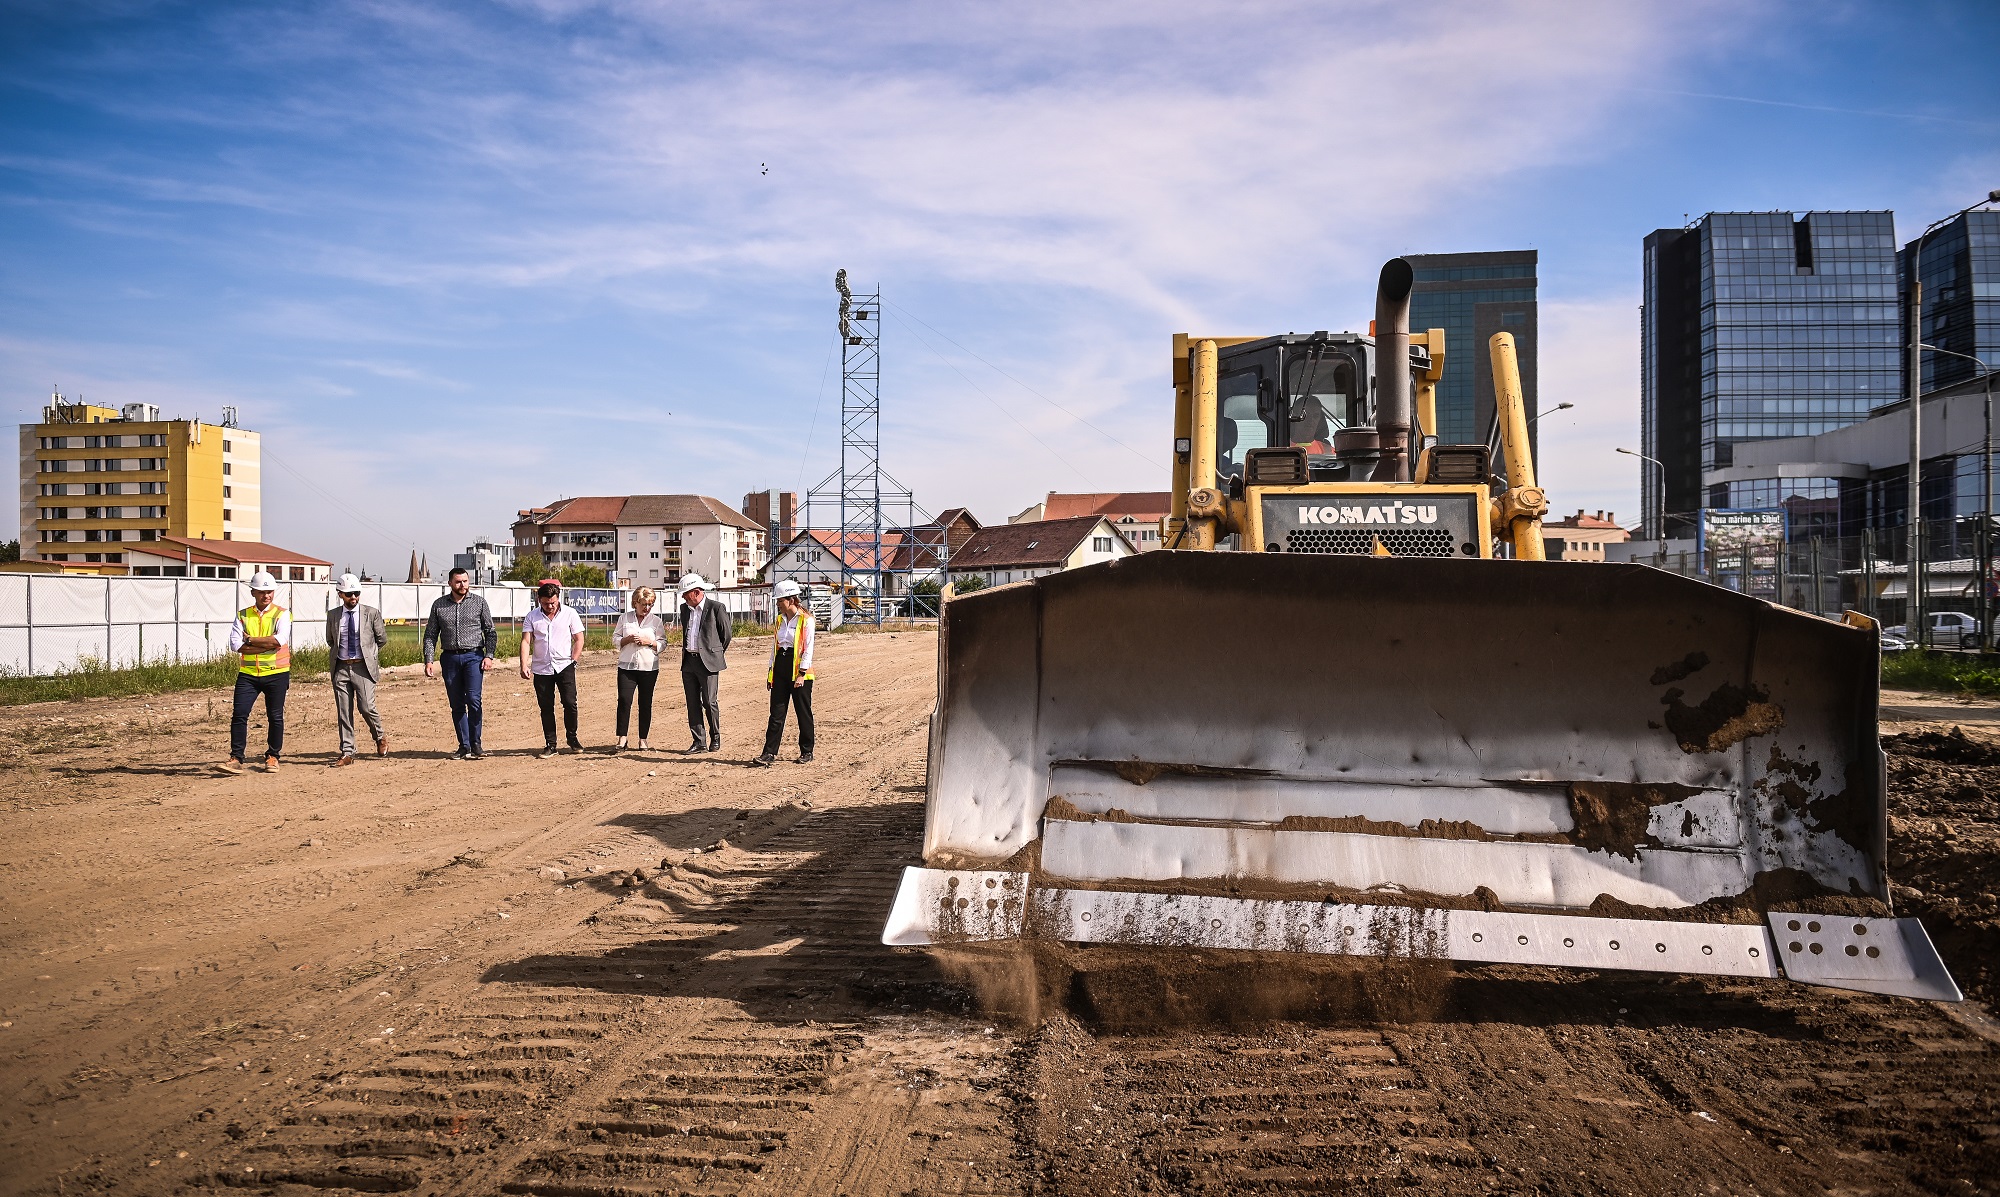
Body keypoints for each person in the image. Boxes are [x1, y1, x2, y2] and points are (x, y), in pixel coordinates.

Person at [218, 571, 291, 775]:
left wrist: (249, 641)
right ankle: (236, 758)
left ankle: (273, 756)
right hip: (248, 674)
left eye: (269, 591)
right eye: (261, 592)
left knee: (275, 716)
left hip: (276, 673)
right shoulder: (242, 615)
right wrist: (265, 645)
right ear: (253, 592)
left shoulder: (282, 614)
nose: (266, 595)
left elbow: (280, 640)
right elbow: (235, 644)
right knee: (239, 714)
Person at [423, 567, 496, 760]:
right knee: (456, 703)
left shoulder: (479, 603)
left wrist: (489, 655)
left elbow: (490, 631)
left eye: (465, 581)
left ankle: (476, 744)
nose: (462, 585)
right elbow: (430, 635)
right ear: (450, 583)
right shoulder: (439, 605)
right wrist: (429, 660)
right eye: (458, 582)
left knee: (473, 700)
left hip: (474, 657)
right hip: (450, 659)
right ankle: (464, 746)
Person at [326, 573, 389, 766]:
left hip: (364, 667)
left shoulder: (371, 613)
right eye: (349, 594)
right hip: (341, 667)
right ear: (340, 594)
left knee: (366, 707)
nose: (353, 597)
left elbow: (382, 639)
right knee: (344, 711)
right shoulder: (333, 615)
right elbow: (330, 640)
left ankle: (379, 736)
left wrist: (369, 655)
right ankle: (347, 751)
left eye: (356, 593)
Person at [521, 581, 587, 757]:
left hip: (565, 665)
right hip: (542, 668)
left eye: (553, 602)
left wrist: (574, 660)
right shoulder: (532, 616)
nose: (550, 606)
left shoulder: (570, 614)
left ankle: (572, 738)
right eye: (546, 603)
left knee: (570, 703)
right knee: (546, 707)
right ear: (539, 600)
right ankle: (551, 744)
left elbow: (579, 638)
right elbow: (526, 641)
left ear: (558, 599)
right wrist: (523, 664)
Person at [755, 580, 816, 766]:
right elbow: (775, 647)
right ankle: (768, 753)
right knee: (776, 713)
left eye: (780, 601)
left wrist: (801, 674)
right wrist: (770, 673)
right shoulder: (780, 620)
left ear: (791, 600)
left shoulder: (807, 620)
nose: (777, 604)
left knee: (803, 712)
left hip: (799, 670)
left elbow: (808, 649)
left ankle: (807, 751)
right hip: (781, 667)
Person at [677, 574, 732, 753]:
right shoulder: (684, 610)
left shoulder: (716, 608)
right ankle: (699, 741)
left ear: (697, 592)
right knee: (692, 703)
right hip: (688, 663)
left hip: (708, 663)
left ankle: (715, 737)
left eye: (686, 594)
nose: (684, 597)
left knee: (709, 702)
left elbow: (726, 636)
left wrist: (713, 653)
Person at [613, 586, 665, 752]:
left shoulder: (656, 621)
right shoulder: (624, 618)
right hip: (626, 667)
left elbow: (663, 643)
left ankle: (643, 740)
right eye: (644, 604)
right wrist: (626, 639)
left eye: (650, 604)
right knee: (624, 701)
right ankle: (622, 739)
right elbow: (615, 639)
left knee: (645, 703)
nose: (647, 608)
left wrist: (649, 642)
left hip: (648, 668)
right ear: (635, 603)